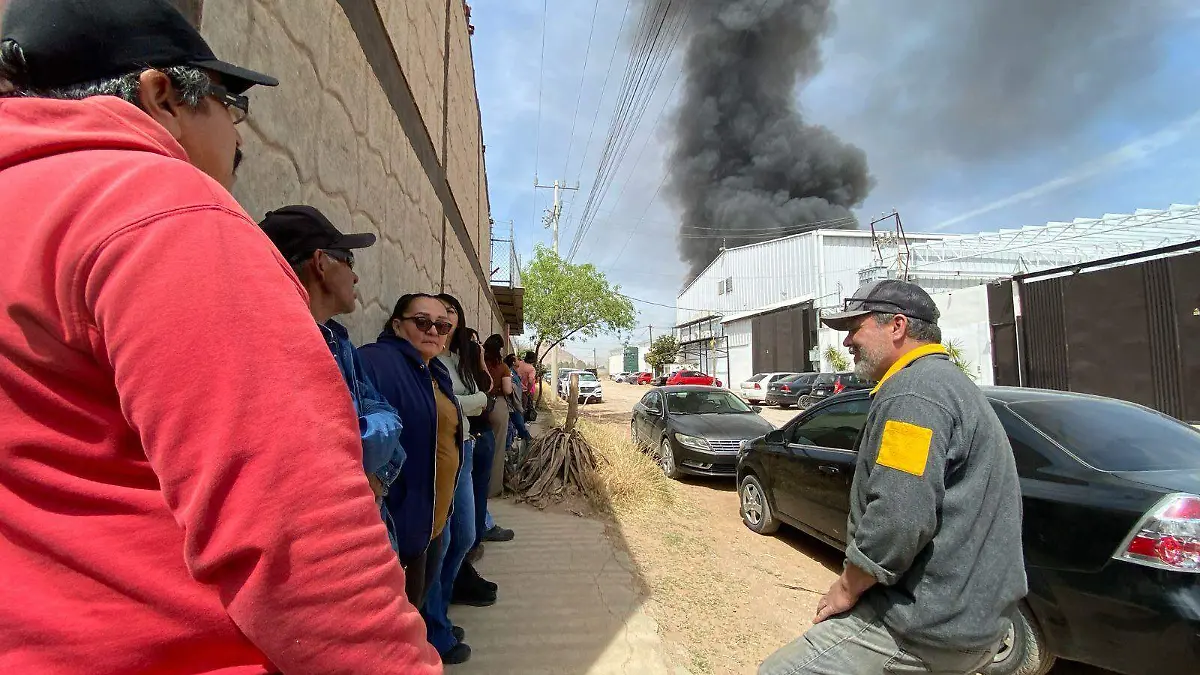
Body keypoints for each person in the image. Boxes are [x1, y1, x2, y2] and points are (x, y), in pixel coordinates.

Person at [0, 1, 439, 672]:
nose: (239, 141)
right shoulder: (161, 209)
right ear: (162, 94)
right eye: (230, 110)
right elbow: (295, 535)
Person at [759, 280, 1026, 675]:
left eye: (856, 327)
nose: (848, 341)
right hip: (971, 622)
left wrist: (847, 587)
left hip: (922, 624)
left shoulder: (913, 395)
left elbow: (900, 514)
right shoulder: (947, 385)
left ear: (897, 326)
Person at [260, 205, 406, 520]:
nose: (355, 275)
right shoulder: (280, 348)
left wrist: (370, 455)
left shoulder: (340, 343)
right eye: (348, 260)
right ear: (321, 263)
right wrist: (366, 451)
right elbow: (335, 451)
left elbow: (387, 416)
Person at [358, 295, 465, 612]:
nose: (433, 330)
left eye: (442, 325)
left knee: (417, 608)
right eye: (422, 322)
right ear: (397, 325)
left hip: (432, 521)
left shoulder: (434, 370)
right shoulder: (374, 363)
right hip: (399, 529)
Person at [421, 293, 491, 664]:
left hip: (462, 449)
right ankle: (433, 625)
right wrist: (474, 400)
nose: (441, 324)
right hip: (442, 455)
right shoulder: (429, 359)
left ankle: (440, 611)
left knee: (463, 535)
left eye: (450, 315)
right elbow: (447, 402)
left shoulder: (456, 359)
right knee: (443, 540)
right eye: (433, 317)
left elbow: (485, 394)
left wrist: (477, 364)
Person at [517, 350, 539, 414]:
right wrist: (528, 391)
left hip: (514, 388)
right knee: (522, 410)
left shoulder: (519, 363)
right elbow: (530, 381)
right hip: (523, 391)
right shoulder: (531, 369)